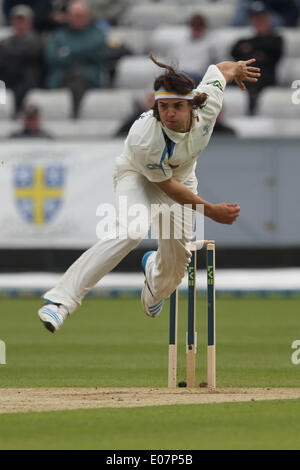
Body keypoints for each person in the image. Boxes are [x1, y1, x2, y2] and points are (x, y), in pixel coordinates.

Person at [37, 54, 260, 333]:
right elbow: (166, 187)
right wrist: (210, 210)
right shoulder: (146, 136)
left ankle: (155, 280)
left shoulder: (209, 102)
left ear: (192, 103)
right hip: (138, 175)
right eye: (163, 106)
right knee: (131, 230)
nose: (169, 114)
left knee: (176, 268)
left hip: (182, 178)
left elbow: (220, 70)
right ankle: (61, 301)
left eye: (177, 106)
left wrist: (237, 68)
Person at [44, 0, 109, 117]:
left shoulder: (98, 34)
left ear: (88, 16)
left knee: (78, 79)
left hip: (88, 77)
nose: (76, 19)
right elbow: (51, 57)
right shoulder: (58, 35)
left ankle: (75, 115)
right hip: (61, 76)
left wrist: (67, 53)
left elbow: (100, 55)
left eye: (80, 16)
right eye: (73, 15)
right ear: (68, 16)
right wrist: (84, 53)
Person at [231, 2, 283, 114]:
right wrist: (258, 52)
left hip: (264, 77)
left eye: (261, 18)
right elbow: (234, 50)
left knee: (254, 68)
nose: (259, 22)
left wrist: (251, 49)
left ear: (268, 19)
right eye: (255, 18)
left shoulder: (277, 39)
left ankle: (252, 98)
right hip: (243, 76)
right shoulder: (245, 40)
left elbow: (274, 52)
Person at [0, 5, 43, 114]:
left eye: (22, 20)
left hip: (27, 79)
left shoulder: (37, 40)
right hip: (8, 77)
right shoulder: (5, 42)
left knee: (24, 79)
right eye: (17, 20)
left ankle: (20, 111)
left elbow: (31, 54)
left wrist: (12, 55)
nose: (19, 24)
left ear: (30, 23)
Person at [168, 14, 217, 85]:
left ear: (204, 27)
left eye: (199, 25)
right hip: (180, 75)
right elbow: (172, 62)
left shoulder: (212, 43)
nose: (196, 28)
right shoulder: (179, 43)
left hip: (199, 77)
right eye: (194, 25)